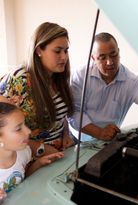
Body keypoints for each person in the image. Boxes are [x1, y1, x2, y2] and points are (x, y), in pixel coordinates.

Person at [0, 22, 75, 156]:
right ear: (39, 50)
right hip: (29, 157)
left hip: (59, 152)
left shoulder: (59, 76)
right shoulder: (19, 78)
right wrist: (40, 148)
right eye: (57, 51)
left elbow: (59, 116)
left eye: (66, 50)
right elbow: (6, 127)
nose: (64, 57)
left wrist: (66, 134)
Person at [0, 102, 64, 203]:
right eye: (18, 129)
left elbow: (22, 178)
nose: (28, 131)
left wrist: (38, 163)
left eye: (24, 124)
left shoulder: (23, 153)